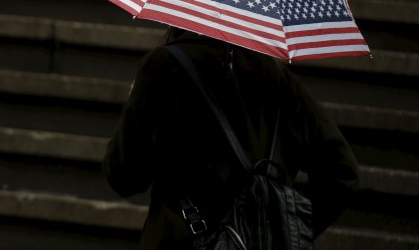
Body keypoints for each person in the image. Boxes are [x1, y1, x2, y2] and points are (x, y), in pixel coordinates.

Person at [102, 28, 360, 249]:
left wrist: (136, 105)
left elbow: (124, 177)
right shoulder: (276, 75)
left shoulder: (163, 66)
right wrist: (285, 229)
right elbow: (341, 173)